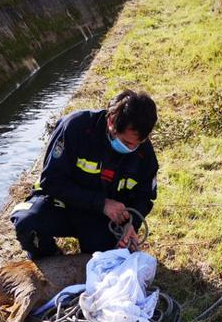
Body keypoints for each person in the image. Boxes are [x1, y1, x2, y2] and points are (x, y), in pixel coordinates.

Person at [10, 89, 159, 258]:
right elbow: (51, 181)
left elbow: (145, 196)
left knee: (112, 255)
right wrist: (100, 203)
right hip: (61, 205)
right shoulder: (75, 128)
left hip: (98, 217)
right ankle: (49, 256)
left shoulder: (144, 154)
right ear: (111, 121)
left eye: (137, 143)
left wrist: (131, 223)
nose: (131, 148)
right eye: (126, 142)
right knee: (27, 223)